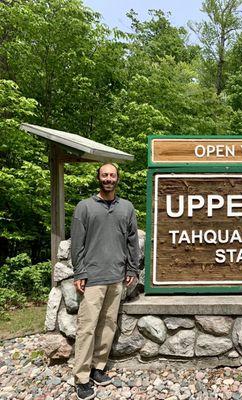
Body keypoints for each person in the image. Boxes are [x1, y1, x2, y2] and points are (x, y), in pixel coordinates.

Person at [71, 163, 139, 400]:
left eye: (112, 175)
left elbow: (132, 242)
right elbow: (77, 243)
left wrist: (132, 268)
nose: (108, 178)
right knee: (86, 328)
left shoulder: (127, 208)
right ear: (98, 178)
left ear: (117, 178)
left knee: (109, 325)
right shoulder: (85, 207)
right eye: (104, 175)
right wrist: (79, 272)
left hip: (117, 276)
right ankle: (81, 378)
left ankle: (98, 368)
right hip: (93, 278)